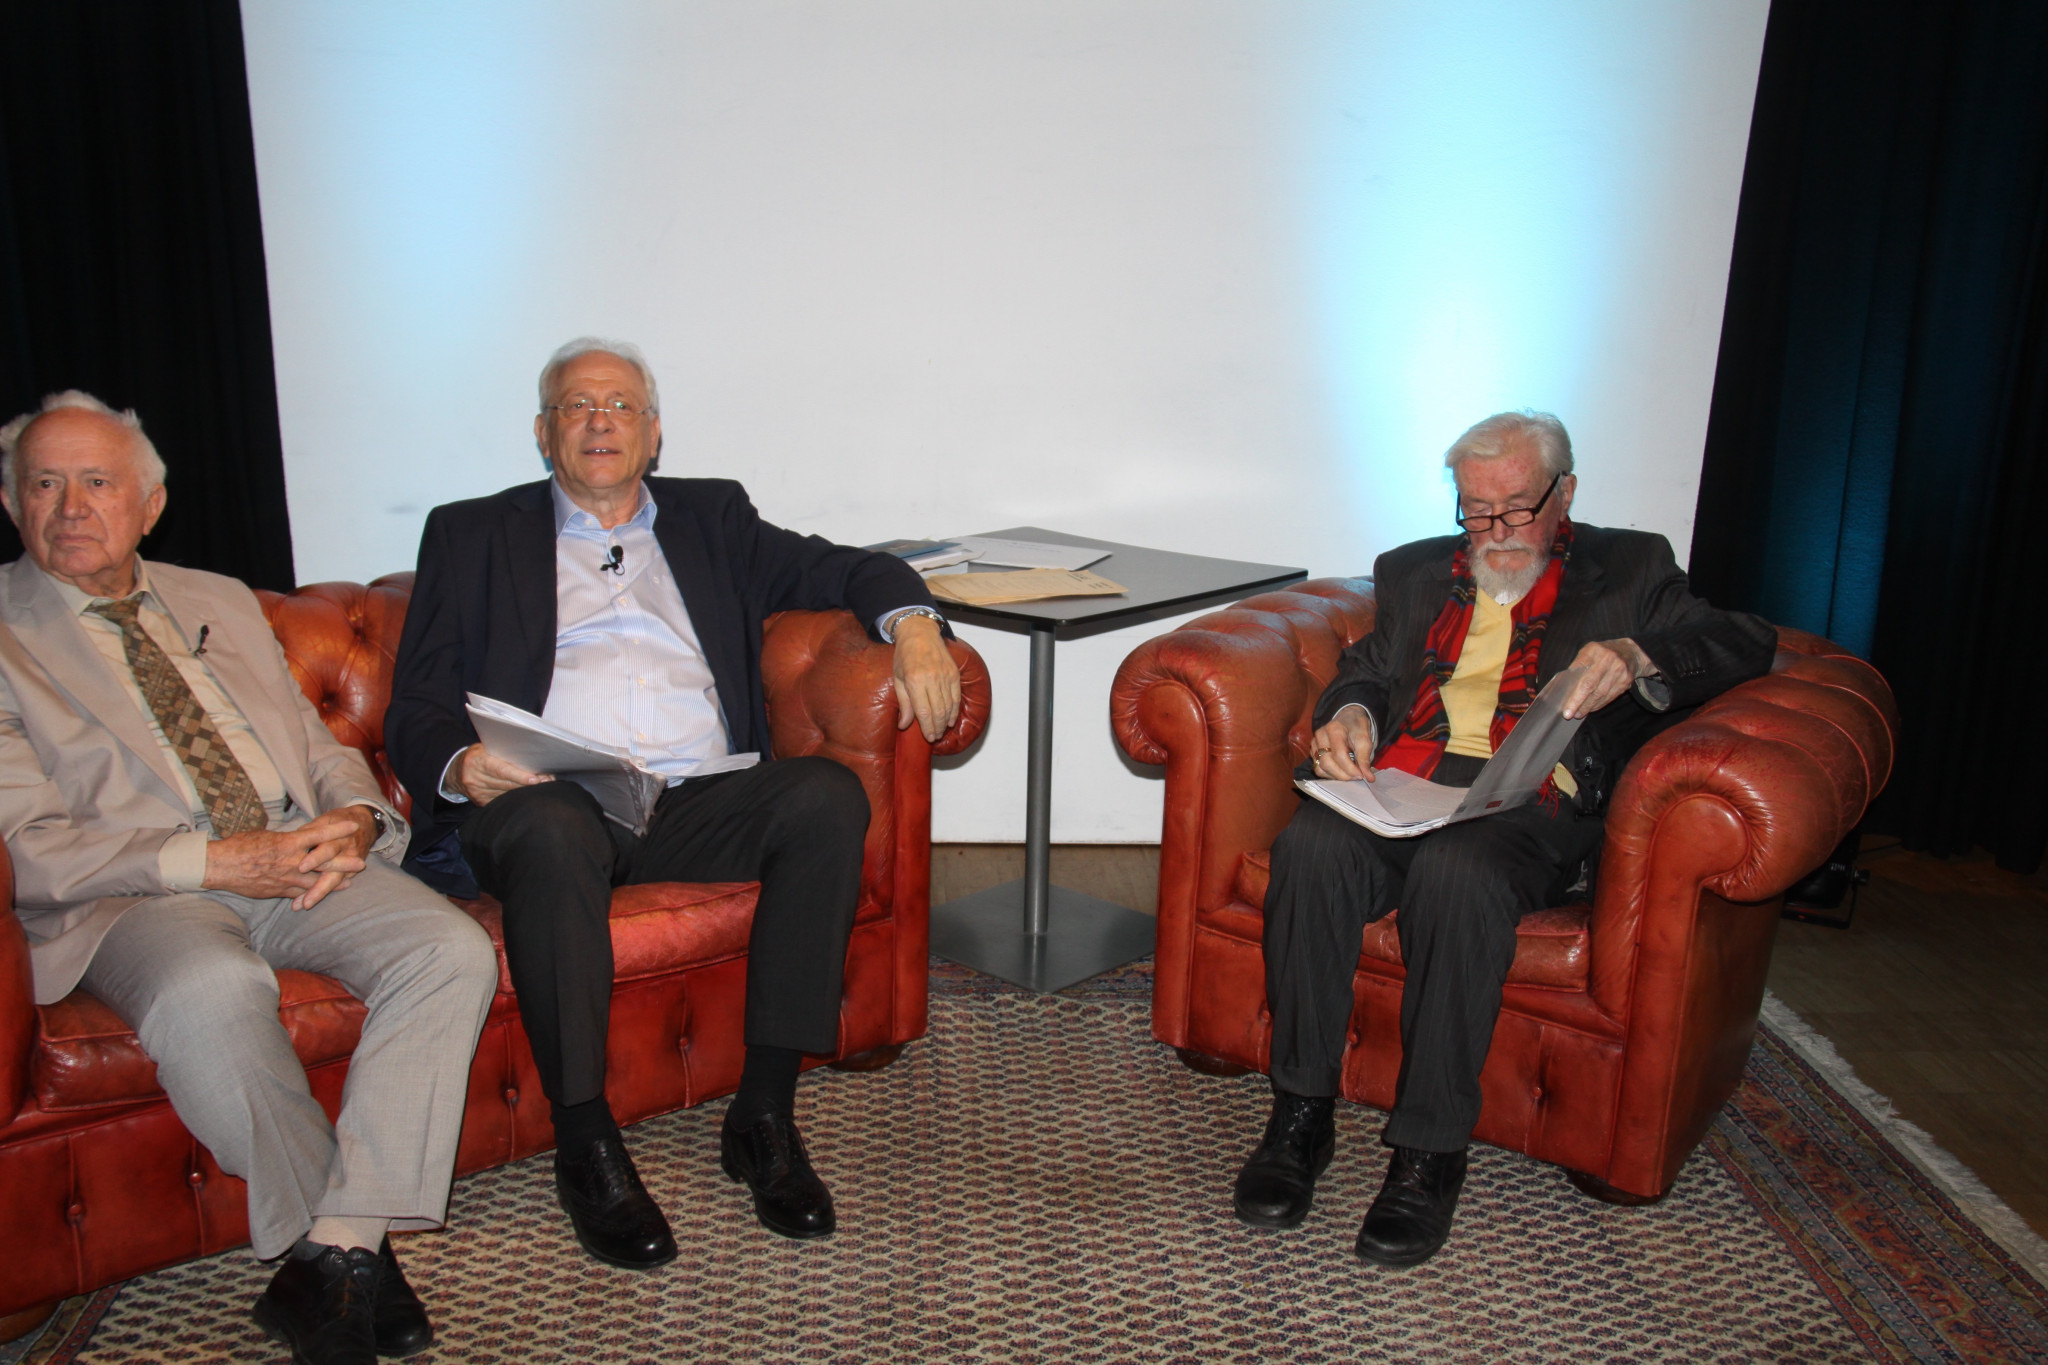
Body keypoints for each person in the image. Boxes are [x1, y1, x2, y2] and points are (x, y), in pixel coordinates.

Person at [385, 337, 962, 1268]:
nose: (599, 421)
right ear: (544, 433)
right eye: (577, 406)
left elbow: (846, 567)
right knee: (550, 827)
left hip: (695, 795)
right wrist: (462, 763)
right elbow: (417, 700)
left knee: (824, 796)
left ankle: (763, 1116)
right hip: (548, 799)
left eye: (620, 405)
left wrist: (919, 624)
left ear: (653, 433)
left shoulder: (712, 516)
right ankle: (585, 1141)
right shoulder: (471, 534)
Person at [0, 392, 498, 1364]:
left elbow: (316, 749)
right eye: (44, 484)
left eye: (97, 482)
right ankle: (349, 1257)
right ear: (14, 503)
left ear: (150, 504)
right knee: (213, 988)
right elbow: (32, 844)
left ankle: (337, 1249)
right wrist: (215, 861)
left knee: (448, 948)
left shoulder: (219, 597)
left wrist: (356, 819)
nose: (70, 507)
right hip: (137, 891)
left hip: (295, 854)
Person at [1234, 410, 1776, 1267]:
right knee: (1312, 847)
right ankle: (1301, 1114)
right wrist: (1351, 714)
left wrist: (1636, 655)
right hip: (1409, 782)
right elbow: (1367, 672)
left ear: (1565, 493)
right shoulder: (1413, 570)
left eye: (1516, 508)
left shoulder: (1632, 565)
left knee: (1458, 872)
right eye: (1476, 510)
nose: (1496, 531)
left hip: (1531, 797)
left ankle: (1428, 1152)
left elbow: (1746, 641)